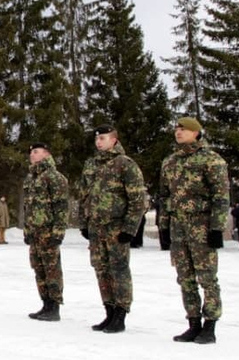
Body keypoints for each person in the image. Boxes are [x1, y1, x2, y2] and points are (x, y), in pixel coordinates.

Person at [159, 117, 230, 344]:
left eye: (184, 129)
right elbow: (164, 196)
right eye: (177, 128)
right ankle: (193, 322)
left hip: (202, 226)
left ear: (197, 133)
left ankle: (210, 326)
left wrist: (217, 228)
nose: (178, 132)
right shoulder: (170, 161)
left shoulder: (211, 160)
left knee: (207, 278)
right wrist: (164, 226)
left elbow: (221, 197)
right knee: (185, 278)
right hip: (179, 228)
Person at [79, 124, 147, 334]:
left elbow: (137, 199)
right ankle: (109, 310)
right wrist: (84, 222)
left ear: (114, 140)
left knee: (119, 270)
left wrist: (130, 227)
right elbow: (84, 196)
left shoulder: (125, 164)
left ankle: (121, 313)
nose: (99, 142)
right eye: (97, 139)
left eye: (104, 138)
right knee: (101, 269)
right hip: (96, 228)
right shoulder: (91, 165)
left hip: (116, 227)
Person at [22, 143, 69, 322]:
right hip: (35, 232)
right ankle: (45, 303)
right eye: (31, 152)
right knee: (38, 268)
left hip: (48, 231)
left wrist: (58, 231)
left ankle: (55, 306)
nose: (32, 155)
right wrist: (27, 230)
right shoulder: (31, 178)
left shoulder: (54, 177)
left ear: (47, 154)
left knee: (52, 269)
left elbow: (61, 207)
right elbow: (28, 208)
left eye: (36, 152)